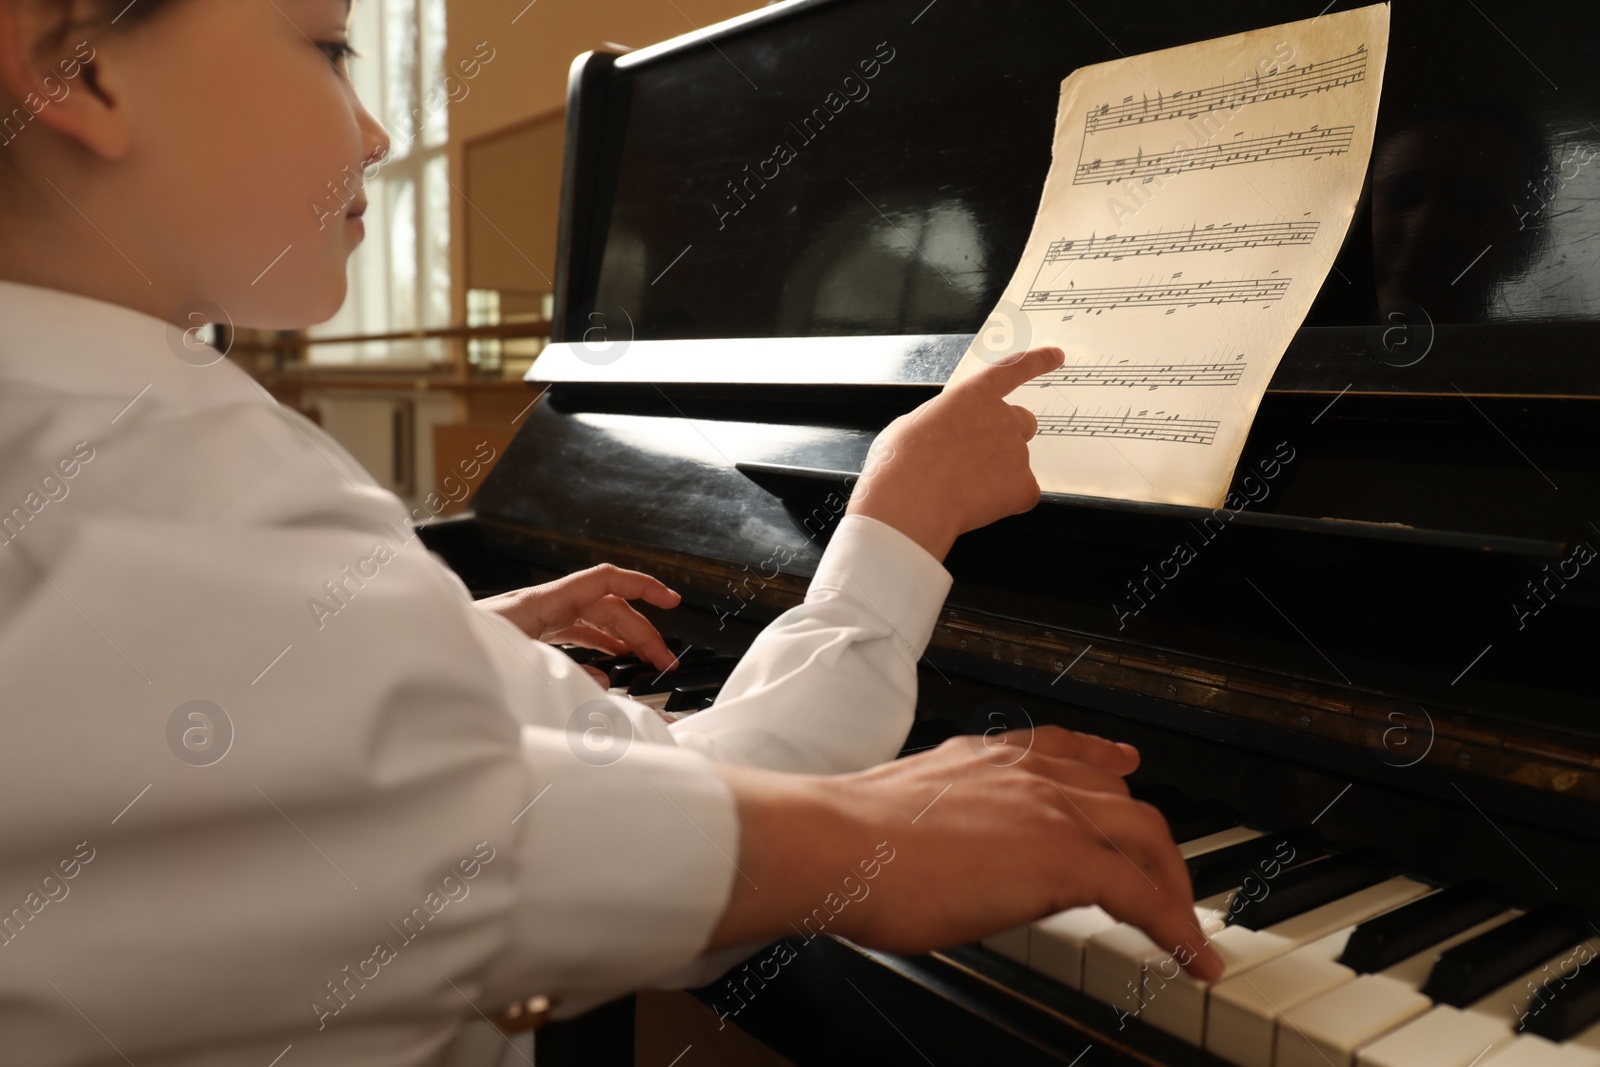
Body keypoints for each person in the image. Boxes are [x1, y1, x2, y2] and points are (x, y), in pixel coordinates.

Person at [0, 0, 1220, 1062]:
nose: (373, 132)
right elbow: (728, 793)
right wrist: (899, 520)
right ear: (77, 65)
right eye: (328, 46)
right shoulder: (172, 464)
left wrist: (452, 640)